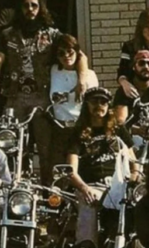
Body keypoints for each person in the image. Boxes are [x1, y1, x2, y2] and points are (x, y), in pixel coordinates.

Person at [0, 0, 91, 186]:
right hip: (15, 98)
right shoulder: (7, 35)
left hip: (43, 99)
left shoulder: (52, 34)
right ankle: (12, 190)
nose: (30, 10)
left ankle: (48, 194)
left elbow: (80, 55)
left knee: (46, 150)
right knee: (10, 147)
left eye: (34, 5)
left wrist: (82, 79)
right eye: (25, 5)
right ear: (19, 8)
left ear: (41, 8)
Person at [65, 87, 136, 248]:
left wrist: (135, 175)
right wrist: (84, 187)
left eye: (103, 102)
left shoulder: (119, 130)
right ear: (87, 105)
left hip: (119, 185)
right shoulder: (77, 133)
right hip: (92, 185)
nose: (99, 106)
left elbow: (133, 159)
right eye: (95, 101)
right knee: (89, 202)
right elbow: (71, 170)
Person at [49, 35, 98, 182]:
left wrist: (82, 80)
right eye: (61, 53)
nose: (66, 56)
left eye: (70, 52)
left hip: (81, 127)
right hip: (60, 127)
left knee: (81, 169)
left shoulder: (89, 75)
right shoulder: (53, 71)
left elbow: (96, 103)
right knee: (60, 172)